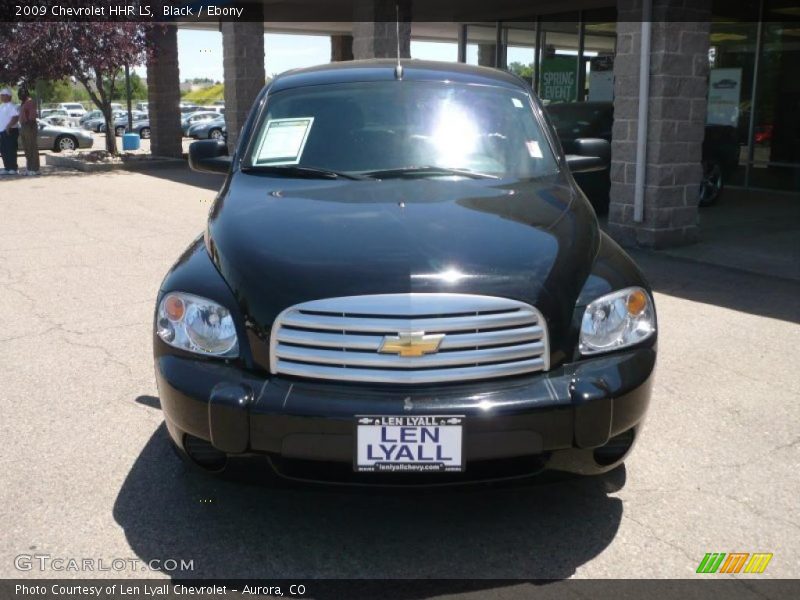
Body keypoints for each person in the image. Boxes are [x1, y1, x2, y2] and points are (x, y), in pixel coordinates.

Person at [18, 86, 39, 175]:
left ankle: (34, 169)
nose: (20, 95)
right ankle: (29, 168)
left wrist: (29, 126)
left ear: (26, 93)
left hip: (29, 126)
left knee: (32, 147)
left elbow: (32, 115)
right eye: (19, 93)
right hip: (23, 126)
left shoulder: (30, 102)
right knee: (26, 148)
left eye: (21, 93)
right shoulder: (23, 103)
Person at [0, 88, 20, 175]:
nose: (1, 97)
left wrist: (8, 126)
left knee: (10, 149)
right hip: (2, 131)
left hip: (10, 130)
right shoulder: (1, 106)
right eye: (1, 95)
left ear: (9, 96)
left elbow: (15, 117)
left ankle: (13, 168)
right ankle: (7, 168)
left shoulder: (12, 106)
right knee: (4, 150)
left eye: (3, 95)